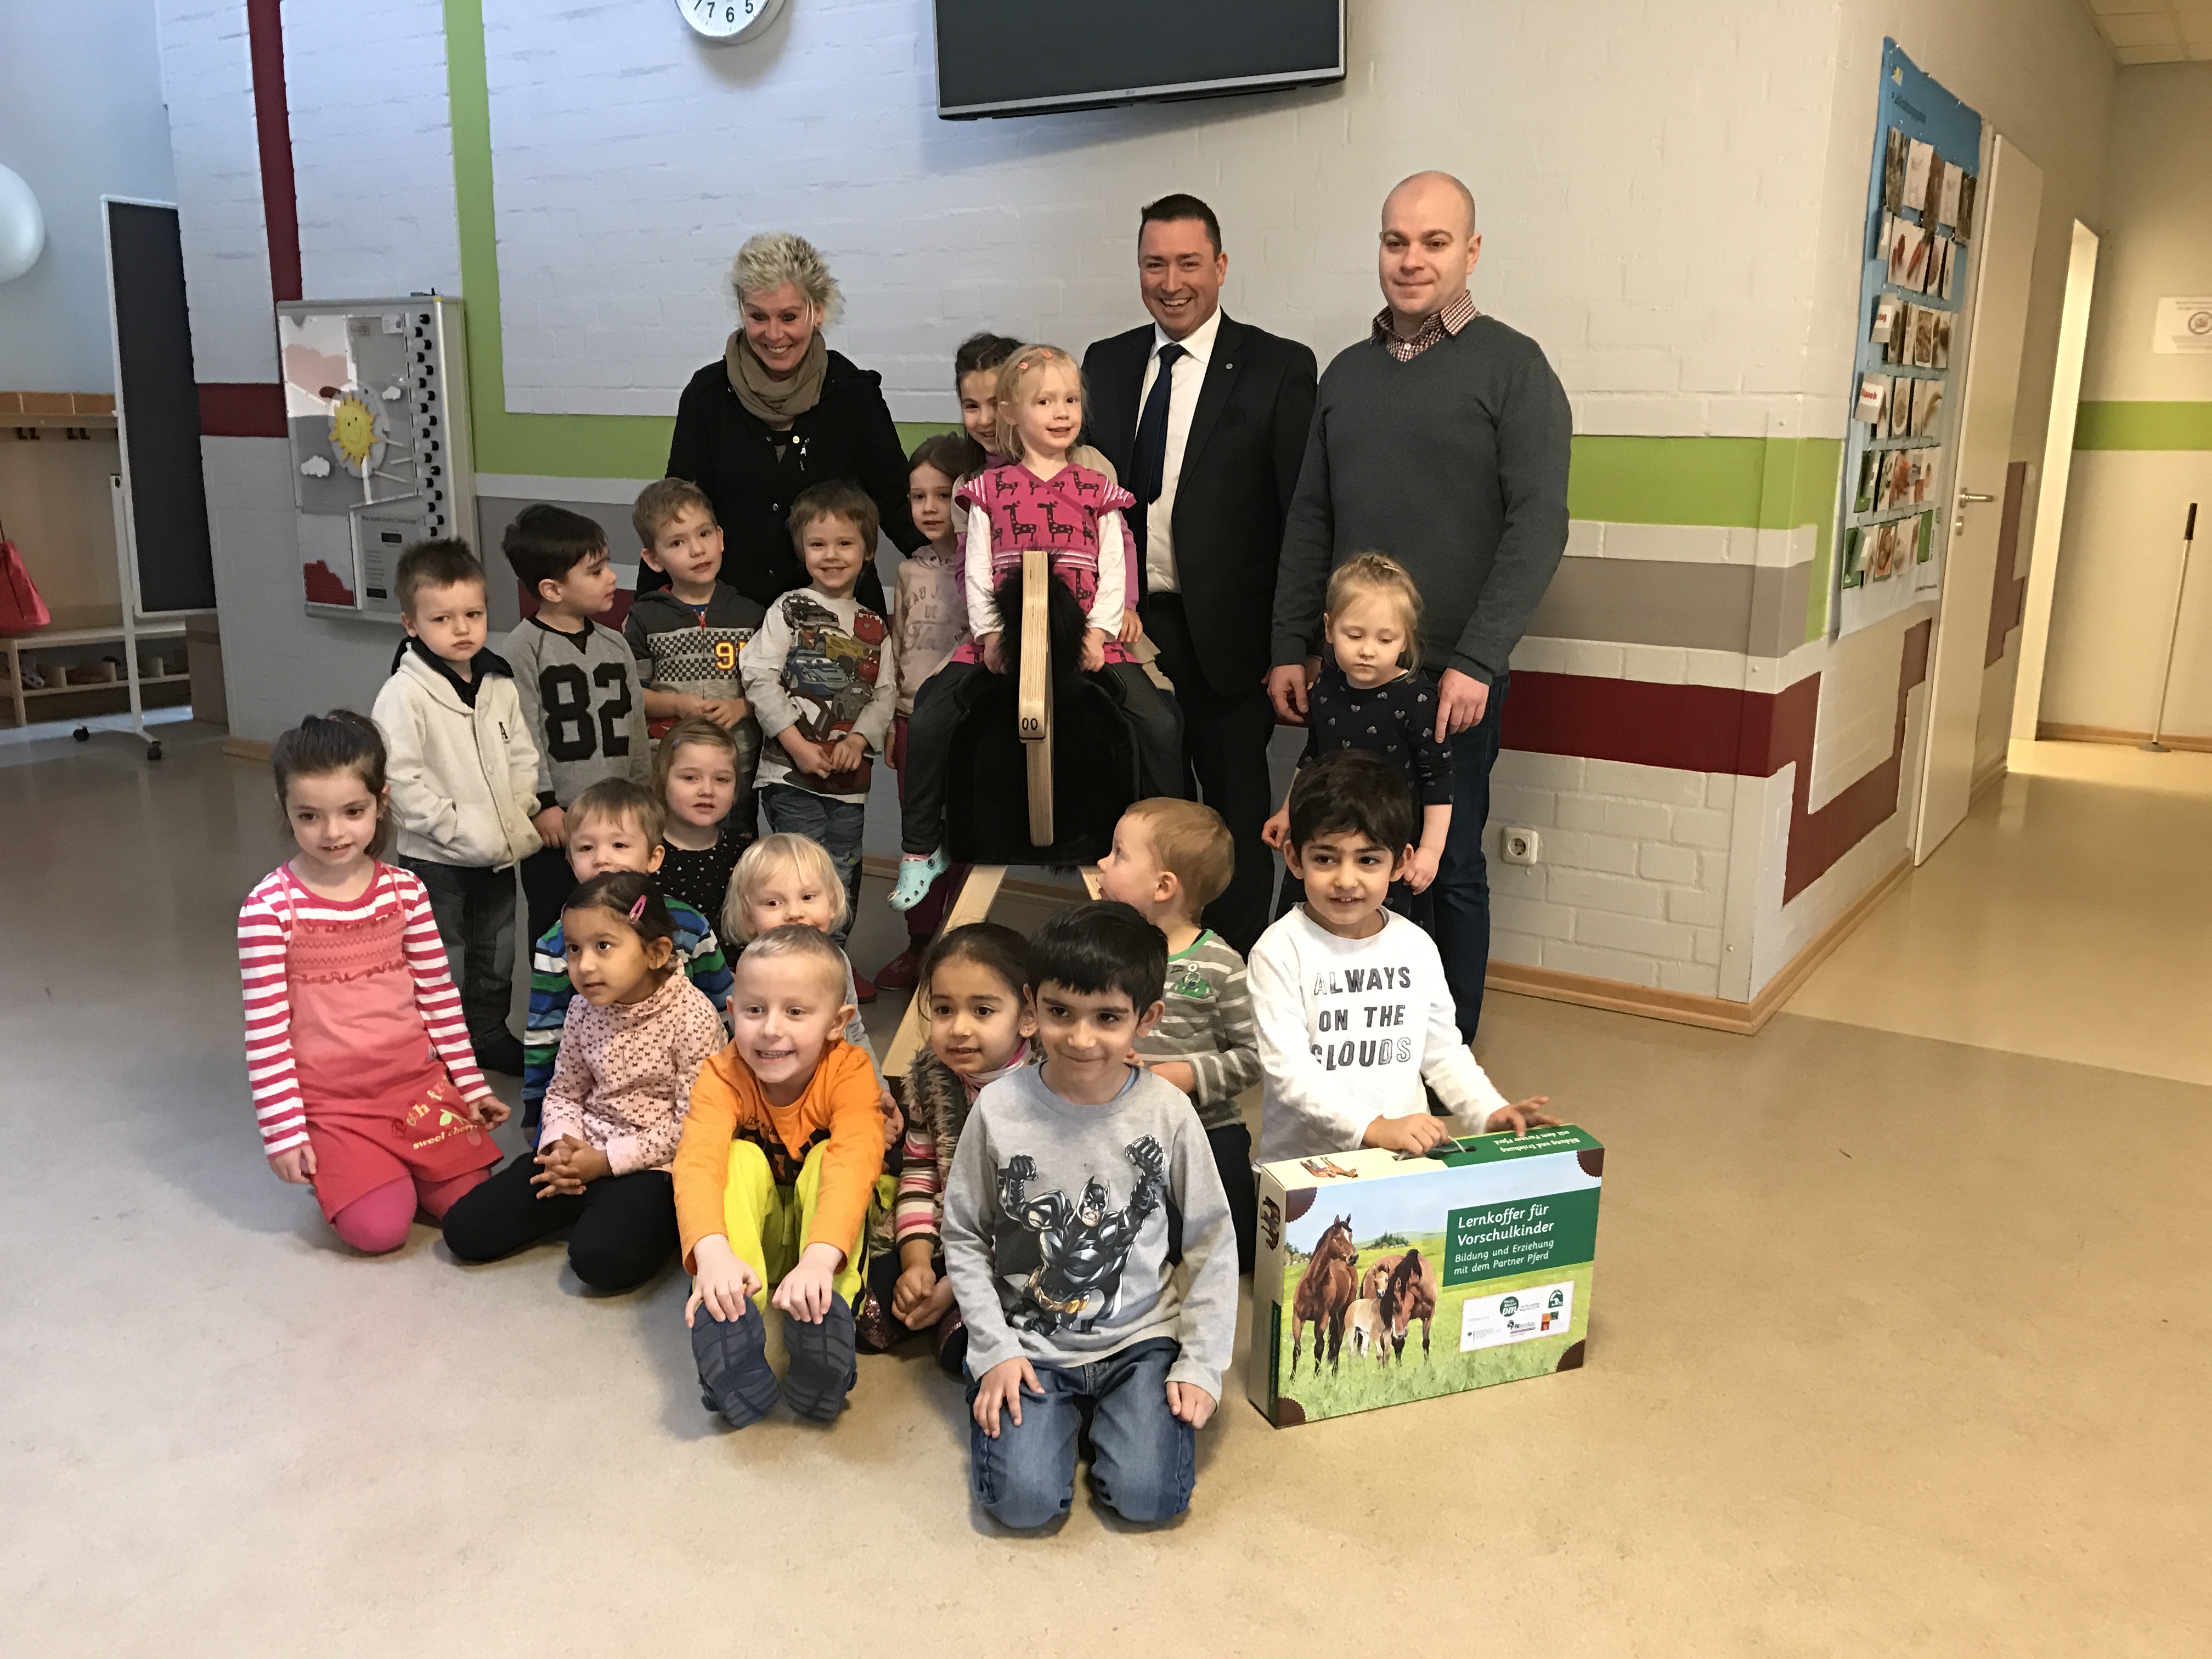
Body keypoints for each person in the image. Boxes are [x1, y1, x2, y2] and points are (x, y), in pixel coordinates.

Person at [1269, 170, 1572, 1041]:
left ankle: (1448, 1046)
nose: (1412, 259)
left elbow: (1539, 522)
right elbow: (1311, 518)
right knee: (1337, 854)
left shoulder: (1514, 368)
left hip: (1452, 678)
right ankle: (1344, 1034)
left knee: (1445, 864)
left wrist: (1477, 659)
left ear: (1470, 252)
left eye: (1434, 242)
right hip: (1348, 672)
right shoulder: (1347, 375)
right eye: (1396, 241)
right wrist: (1293, 642)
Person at [941, 902, 1237, 1530]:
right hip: (1032, 1341)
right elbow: (964, 1234)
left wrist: (1201, 1363)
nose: (1080, 1038)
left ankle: (1104, 1419)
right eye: (1060, 1013)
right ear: (1031, 1008)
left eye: (1108, 1018)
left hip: (1140, 1339)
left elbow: (1213, 1238)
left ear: (1147, 1019)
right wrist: (992, 1351)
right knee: (1021, 1505)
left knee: (1148, 1498)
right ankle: (1058, 1419)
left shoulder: (1168, 1112)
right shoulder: (997, 1109)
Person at [1083, 194, 1318, 955]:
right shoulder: (1107, 362)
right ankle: (1149, 960)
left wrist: (1297, 641)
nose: (1172, 281)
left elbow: (1300, 516)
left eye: (1189, 263)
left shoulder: (1279, 366)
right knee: (1146, 813)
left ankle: (1234, 967)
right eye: (1156, 263)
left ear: (1220, 267)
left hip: (1231, 634)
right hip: (1132, 632)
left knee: (1234, 808)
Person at [890, 344, 1184, 910]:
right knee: (929, 714)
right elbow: (975, 569)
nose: (1062, 410)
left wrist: (1097, 632)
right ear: (1013, 417)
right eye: (1046, 400)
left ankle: (1165, 851)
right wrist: (991, 634)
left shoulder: (1095, 487)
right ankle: (920, 847)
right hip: (1003, 634)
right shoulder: (985, 493)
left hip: (1083, 634)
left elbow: (1115, 561)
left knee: (1159, 722)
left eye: (1071, 399)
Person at [237, 711, 505, 1255]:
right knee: (381, 1230)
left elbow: (439, 998)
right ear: (284, 809)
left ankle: (399, 1166)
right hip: (334, 1103)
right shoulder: (268, 911)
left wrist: (470, 1085)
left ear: (380, 802)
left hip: (414, 1086)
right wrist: (284, 1132)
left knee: (470, 1205)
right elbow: (268, 1037)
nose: (333, 833)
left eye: (352, 812)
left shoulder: (406, 891)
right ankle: (348, 1169)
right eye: (309, 816)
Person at [1246, 749, 1553, 1165]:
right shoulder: (1279, 951)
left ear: (1400, 863)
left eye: (1368, 859)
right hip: (1307, 1167)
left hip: (1402, 1157)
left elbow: (1444, 1050)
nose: (1346, 879)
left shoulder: (1415, 946)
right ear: (1295, 859)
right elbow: (1289, 1074)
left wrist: (1488, 1111)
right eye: (1325, 858)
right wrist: (1373, 1128)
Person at [443, 872, 723, 1291]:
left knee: (602, 1261)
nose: (584, 966)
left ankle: (634, 1216)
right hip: (583, 1147)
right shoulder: (581, 1009)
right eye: (574, 949)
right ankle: (587, 1202)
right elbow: (564, 1091)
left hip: (653, 1165)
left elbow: (692, 1126)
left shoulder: (693, 1018)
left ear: (656, 952)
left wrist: (605, 1163)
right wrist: (561, 1147)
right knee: (465, 1231)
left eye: (603, 947)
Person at [678, 926, 886, 1428]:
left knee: (829, 1161)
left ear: (838, 1023)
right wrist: (711, 1255)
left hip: (823, 1245)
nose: (771, 1029)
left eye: (795, 1012)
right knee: (738, 1158)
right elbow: (697, 1162)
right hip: (758, 1244)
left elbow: (855, 1160)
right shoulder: (721, 1073)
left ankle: (827, 1315)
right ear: (732, 1013)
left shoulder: (851, 1070)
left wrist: (818, 1262)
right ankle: (731, 1315)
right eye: (755, 1011)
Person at [663, 231, 921, 612]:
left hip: (841, 618)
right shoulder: (708, 396)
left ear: (816, 310)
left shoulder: (854, 395)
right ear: (741, 310)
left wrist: (953, 569)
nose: (773, 334)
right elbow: (676, 510)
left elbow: (896, 503)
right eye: (757, 316)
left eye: (788, 316)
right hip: (734, 618)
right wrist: (650, 611)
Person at [370, 538, 541, 1076]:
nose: (462, 628)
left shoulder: (497, 680)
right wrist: (460, 828)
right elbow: (399, 779)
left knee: (497, 954)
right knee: (444, 957)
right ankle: (440, 1049)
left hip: (499, 851)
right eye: (443, 618)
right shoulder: (404, 694)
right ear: (412, 624)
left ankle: (488, 1032)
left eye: (474, 614)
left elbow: (521, 753)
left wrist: (518, 811)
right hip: (437, 859)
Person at [1093, 798, 1263, 1273]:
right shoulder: (1098, 955)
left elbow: (1253, 1055)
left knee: (1238, 1250)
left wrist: (1186, 1074)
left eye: (1119, 853)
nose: (1103, 863)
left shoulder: (1222, 966)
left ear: (1164, 886)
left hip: (1206, 1128)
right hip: (1116, 1126)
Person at [861, 921, 1036, 1370]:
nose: (958, 1029)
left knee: (971, 1344)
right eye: (943, 1009)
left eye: (982, 1011)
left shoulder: (1049, 1088)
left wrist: (955, 1286)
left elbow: (1032, 1215)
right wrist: (916, 1260)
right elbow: (920, 1170)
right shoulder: (931, 1073)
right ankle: (941, 1303)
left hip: (1024, 1240)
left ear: (1028, 1015)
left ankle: (959, 1312)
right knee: (871, 1311)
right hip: (952, 1227)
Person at [520, 777, 732, 1133]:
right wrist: (535, 1106)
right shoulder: (556, 943)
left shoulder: (690, 927)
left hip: (679, 1092)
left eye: (620, 845)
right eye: (586, 849)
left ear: (653, 857)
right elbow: (547, 1032)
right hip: (591, 1095)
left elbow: (722, 1005)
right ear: (571, 861)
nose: (602, 859)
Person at [740, 481, 898, 960]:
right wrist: (796, 744)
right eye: (818, 544)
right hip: (790, 775)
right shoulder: (788, 609)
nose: (831, 555)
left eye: (845, 543)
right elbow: (758, 675)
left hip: (849, 780)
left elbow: (884, 691)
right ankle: (798, 962)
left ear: (867, 551)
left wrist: (859, 738)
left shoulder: (874, 624)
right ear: (802, 550)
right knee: (802, 877)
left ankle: (835, 966)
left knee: (843, 872)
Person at [1262, 552, 1452, 924]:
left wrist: (1431, 849)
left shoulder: (1417, 698)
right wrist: (1288, 811)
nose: (1367, 650)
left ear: (1404, 641)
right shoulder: (1327, 687)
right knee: (1313, 919)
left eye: (1385, 639)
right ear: (1330, 628)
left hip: (1385, 839)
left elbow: (1439, 780)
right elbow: (1313, 756)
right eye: (1354, 635)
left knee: (1380, 930)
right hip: (1325, 828)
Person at [503, 504, 652, 947]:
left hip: (618, 814)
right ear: (552, 589)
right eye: (595, 570)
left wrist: (644, 795)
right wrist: (542, 803)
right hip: (560, 820)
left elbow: (635, 724)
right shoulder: (522, 650)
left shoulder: (615, 645)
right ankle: (554, 1012)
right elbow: (523, 733)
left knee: (620, 918)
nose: (611, 578)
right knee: (556, 923)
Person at [874, 433, 974, 991]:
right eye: (919, 497)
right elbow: (898, 644)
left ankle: (956, 942)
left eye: (945, 495)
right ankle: (919, 942)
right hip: (912, 719)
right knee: (920, 837)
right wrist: (892, 718)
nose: (932, 508)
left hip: (964, 725)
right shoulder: (911, 570)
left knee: (962, 832)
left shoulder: (985, 567)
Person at [624, 477, 764, 834]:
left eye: (704, 535)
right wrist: (677, 705)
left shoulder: (752, 615)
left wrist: (741, 707)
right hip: (670, 768)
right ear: (653, 559)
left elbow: (773, 688)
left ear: (720, 537)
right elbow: (632, 696)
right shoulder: (645, 617)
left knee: (735, 859)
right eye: (677, 542)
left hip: (736, 767)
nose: (697, 550)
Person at [652, 717, 747, 923]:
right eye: (690, 778)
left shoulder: (746, 857)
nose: (707, 791)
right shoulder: (641, 852)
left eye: (721, 779)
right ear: (662, 780)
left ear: (736, 789)